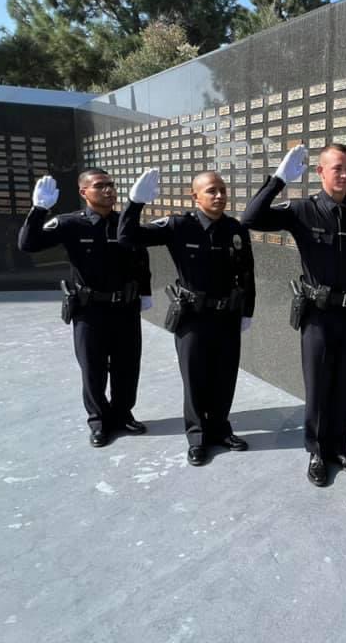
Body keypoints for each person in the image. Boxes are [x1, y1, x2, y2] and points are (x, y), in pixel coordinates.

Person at [242, 143, 346, 487]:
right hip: (318, 315)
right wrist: (278, 179)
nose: (345, 175)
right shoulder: (302, 210)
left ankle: (340, 448)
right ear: (320, 172)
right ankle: (317, 452)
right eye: (337, 168)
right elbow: (250, 218)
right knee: (319, 387)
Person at [118, 169, 255, 467]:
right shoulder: (179, 225)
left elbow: (247, 273)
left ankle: (220, 429)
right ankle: (197, 437)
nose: (219, 195)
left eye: (222, 189)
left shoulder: (235, 229)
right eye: (211, 191)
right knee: (195, 379)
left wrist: (248, 311)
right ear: (195, 196)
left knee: (224, 377)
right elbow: (127, 236)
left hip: (227, 316)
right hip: (193, 317)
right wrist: (134, 203)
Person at [18, 170, 151, 447]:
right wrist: (38, 210)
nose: (109, 191)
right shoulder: (70, 224)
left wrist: (146, 293)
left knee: (127, 367)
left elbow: (140, 258)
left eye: (111, 186)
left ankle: (123, 414)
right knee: (93, 369)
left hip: (125, 308)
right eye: (100, 186)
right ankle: (100, 421)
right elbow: (28, 244)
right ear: (84, 192)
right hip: (90, 310)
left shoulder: (123, 223)